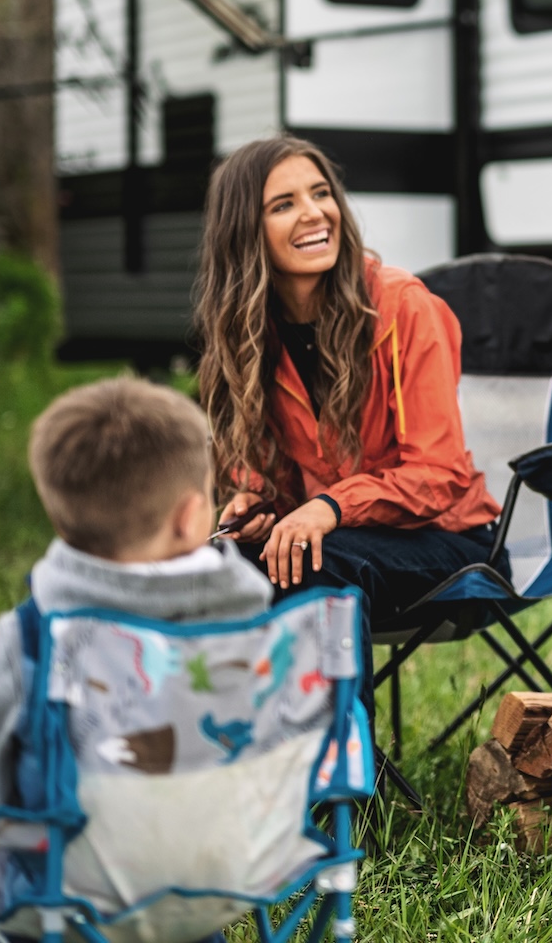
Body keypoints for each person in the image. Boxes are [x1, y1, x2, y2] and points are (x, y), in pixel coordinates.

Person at [194, 136, 500, 679]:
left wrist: (329, 508)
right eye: (284, 205)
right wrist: (258, 504)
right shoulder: (249, 335)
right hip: (346, 538)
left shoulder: (403, 306)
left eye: (321, 194)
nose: (315, 214)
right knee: (215, 565)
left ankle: (344, 759)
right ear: (245, 232)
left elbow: (440, 475)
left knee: (320, 565)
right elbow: (275, 474)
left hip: (452, 540)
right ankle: (233, 746)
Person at [0, 376, 274, 819]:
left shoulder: (30, 636)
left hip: (73, 874)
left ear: (60, 518)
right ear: (189, 516)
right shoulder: (254, 619)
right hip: (226, 867)